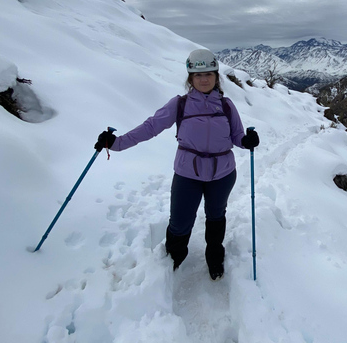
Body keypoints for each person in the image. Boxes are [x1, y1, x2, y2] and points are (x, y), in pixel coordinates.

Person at [94, 49, 259, 280]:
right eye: (198, 75)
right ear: (190, 78)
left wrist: (246, 141)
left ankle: (214, 256)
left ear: (216, 77)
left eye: (209, 74)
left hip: (222, 174)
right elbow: (150, 127)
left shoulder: (227, 105)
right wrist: (117, 143)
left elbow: (236, 136)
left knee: (215, 216)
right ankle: (172, 258)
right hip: (187, 174)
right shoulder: (180, 104)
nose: (204, 79)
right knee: (180, 222)